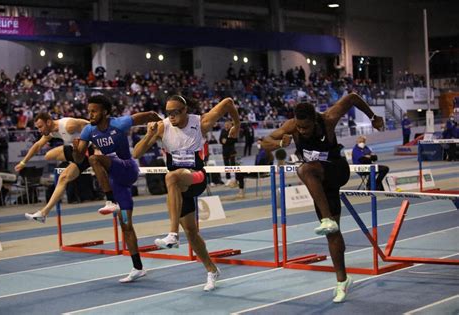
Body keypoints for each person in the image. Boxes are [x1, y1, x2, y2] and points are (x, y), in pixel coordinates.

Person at [261, 93, 384, 303]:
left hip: (337, 169)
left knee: (305, 169)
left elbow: (352, 98)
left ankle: (326, 220)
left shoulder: (328, 119)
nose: (301, 131)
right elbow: (265, 141)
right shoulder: (292, 126)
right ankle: (342, 280)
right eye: (299, 127)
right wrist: (281, 141)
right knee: (333, 233)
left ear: (314, 121)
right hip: (319, 182)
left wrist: (373, 117)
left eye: (305, 128)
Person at [133, 95, 240, 291]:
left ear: (185, 111)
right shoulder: (162, 127)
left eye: (176, 112)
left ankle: (172, 235)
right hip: (179, 189)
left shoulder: (200, 122)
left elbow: (227, 102)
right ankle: (211, 269)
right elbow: (136, 154)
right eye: (168, 113)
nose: (171, 116)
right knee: (191, 232)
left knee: (170, 178)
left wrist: (237, 124)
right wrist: (149, 135)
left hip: (196, 177)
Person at [73, 94, 162, 283]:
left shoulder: (120, 123)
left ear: (105, 112)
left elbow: (150, 114)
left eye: (94, 111)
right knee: (126, 225)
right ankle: (138, 267)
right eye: (88, 111)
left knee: (94, 158)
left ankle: (110, 200)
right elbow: (79, 158)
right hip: (116, 181)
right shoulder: (89, 130)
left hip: (127, 167)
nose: (90, 114)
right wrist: (75, 150)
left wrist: (163, 127)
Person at [18, 113, 90, 223]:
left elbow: (89, 125)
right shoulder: (51, 132)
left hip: (89, 151)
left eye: (40, 127)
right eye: (37, 128)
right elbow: (37, 145)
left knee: (63, 175)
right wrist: (24, 162)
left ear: (49, 122)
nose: (39, 130)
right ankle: (43, 214)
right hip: (76, 151)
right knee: (56, 168)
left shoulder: (68, 125)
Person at [220, 120, 238, 187]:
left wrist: (226, 141)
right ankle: (228, 179)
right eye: (225, 124)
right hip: (225, 151)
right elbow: (220, 139)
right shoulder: (222, 131)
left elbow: (235, 140)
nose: (226, 125)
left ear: (230, 125)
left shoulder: (233, 131)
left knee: (233, 165)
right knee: (226, 165)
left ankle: (236, 179)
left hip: (231, 150)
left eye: (228, 124)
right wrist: (222, 142)